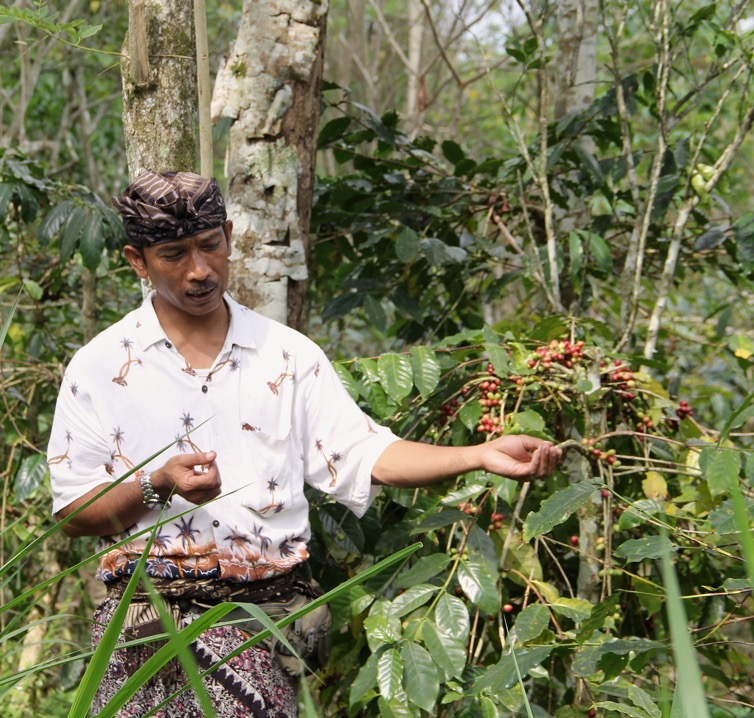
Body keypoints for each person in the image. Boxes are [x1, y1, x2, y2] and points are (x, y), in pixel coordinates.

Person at [47, 171, 561, 717]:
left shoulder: (286, 357)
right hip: (148, 630)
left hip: (263, 628)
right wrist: (157, 484)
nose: (199, 271)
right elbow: (74, 513)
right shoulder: (100, 368)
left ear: (228, 234)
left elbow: (365, 453)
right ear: (137, 260)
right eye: (173, 254)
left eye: (210, 246)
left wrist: (477, 455)